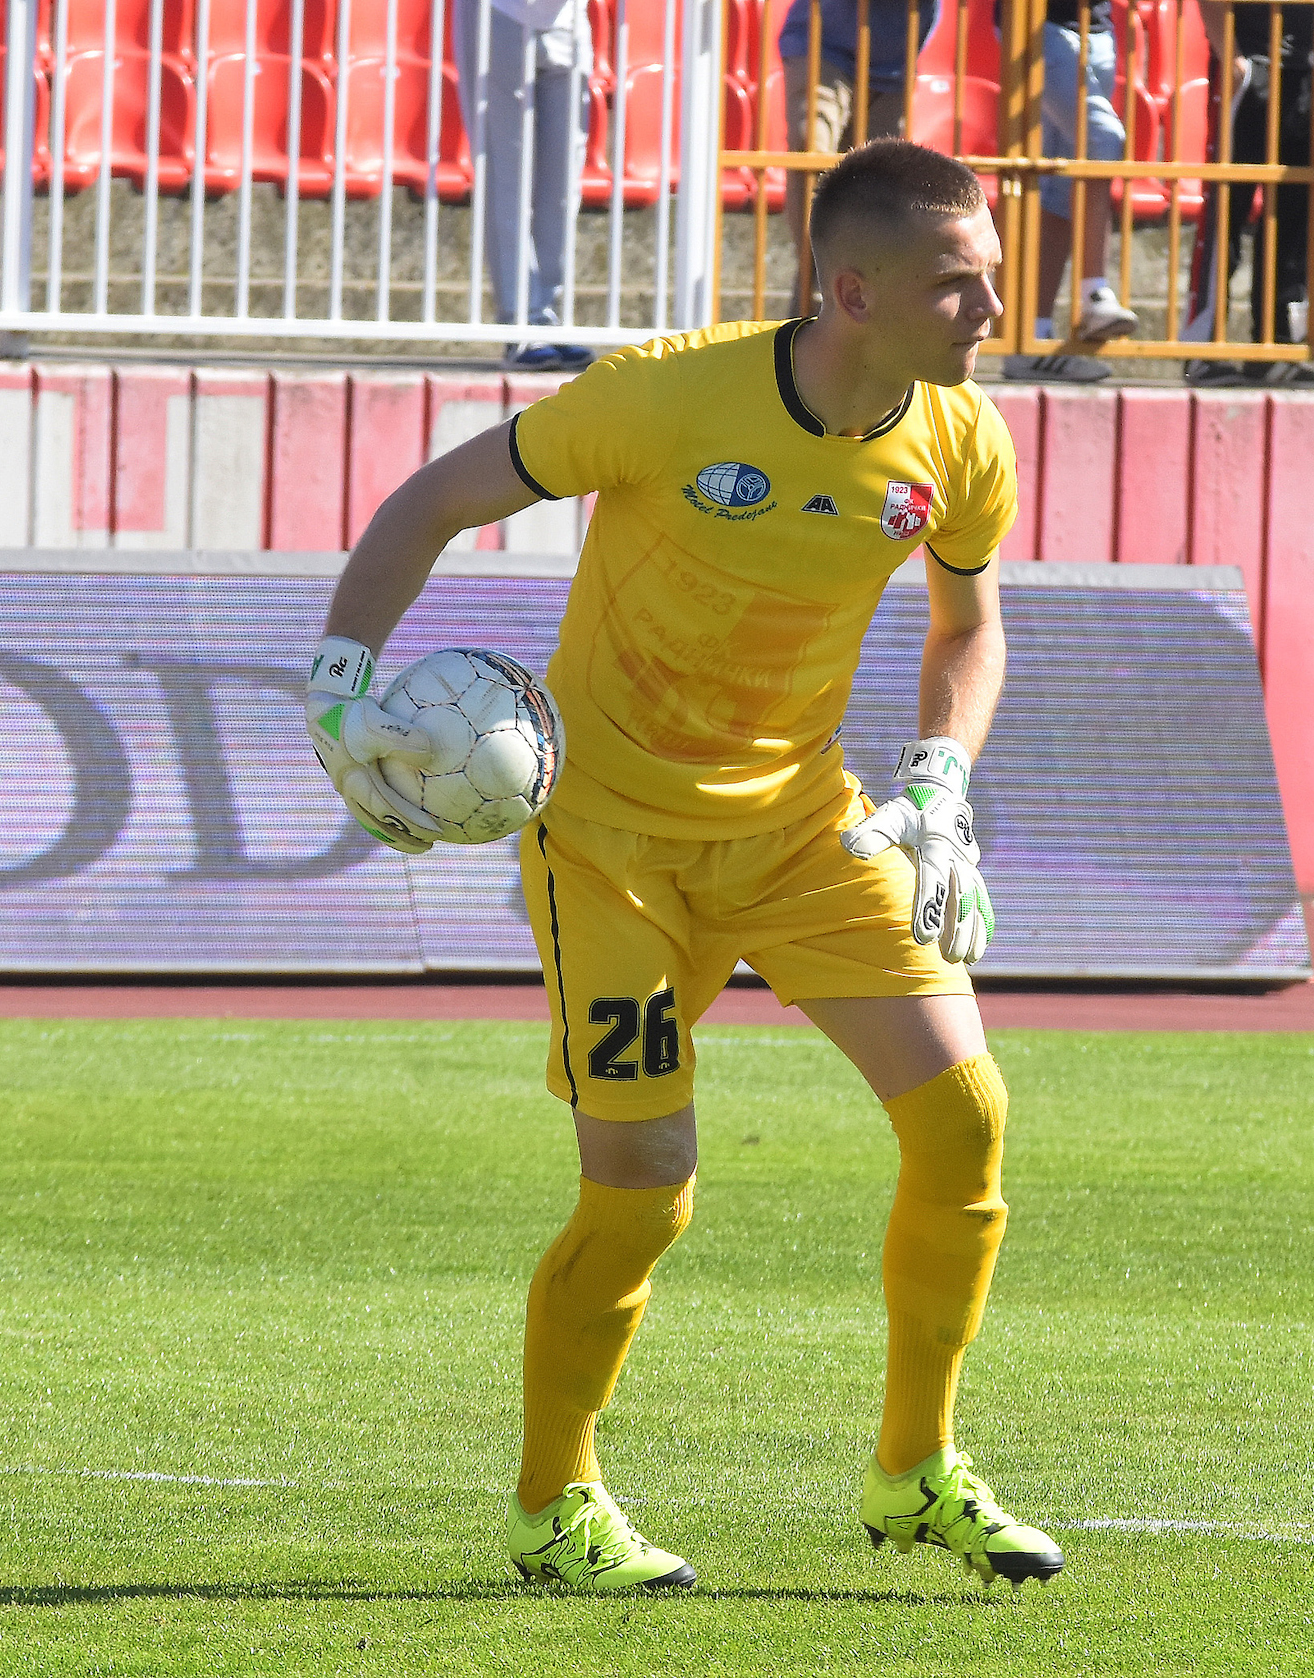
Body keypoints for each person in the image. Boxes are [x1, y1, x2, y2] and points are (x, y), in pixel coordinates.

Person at [304, 139, 1063, 1592]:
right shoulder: (660, 395)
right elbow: (431, 503)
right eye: (957, 285)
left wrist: (945, 781)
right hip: (609, 847)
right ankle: (553, 1500)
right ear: (852, 290)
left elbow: (969, 630)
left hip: (807, 835)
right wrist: (341, 684)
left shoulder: (961, 442)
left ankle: (916, 1468)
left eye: (991, 279)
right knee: (647, 1184)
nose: (990, 311)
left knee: (966, 1118)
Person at [1179, 0, 1314, 388]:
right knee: (1227, 207)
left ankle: (1276, 345)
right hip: (1251, 64)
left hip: (1306, 72)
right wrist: (1234, 59)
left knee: (1294, 214)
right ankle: (1203, 348)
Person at [1002, 0, 1138, 383]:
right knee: (1102, 139)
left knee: (1061, 187)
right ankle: (1095, 294)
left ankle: (1033, 338)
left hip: (1096, 26)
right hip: (1037, 23)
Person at [457, 0, 594, 372]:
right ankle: (520, 319)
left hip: (567, 17)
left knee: (563, 180)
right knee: (505, 172)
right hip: (500, 11)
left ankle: (546, 313)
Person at [778, 0, 938, 316]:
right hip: (821, 39)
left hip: (897, 59)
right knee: (811, 151)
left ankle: (823, 302)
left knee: (877, 183)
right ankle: (821, 283)